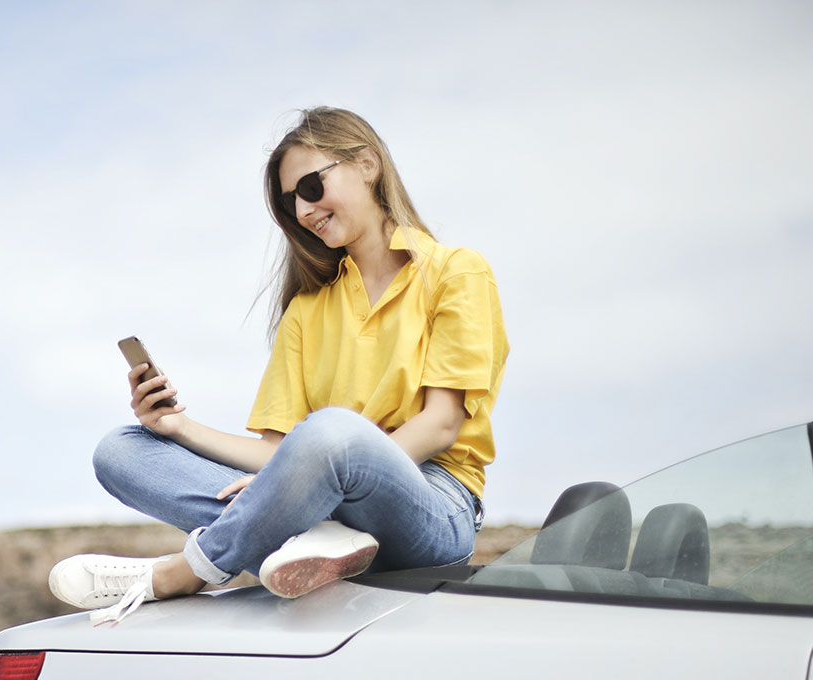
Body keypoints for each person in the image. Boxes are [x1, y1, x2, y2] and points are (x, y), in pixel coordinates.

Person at [49, 107, 509, 623]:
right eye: (291, 202)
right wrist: (178, 427)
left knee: (334, 432)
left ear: (367, 165)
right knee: (120, 451)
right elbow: (277, 452)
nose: (304, 209)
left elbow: (442, 423)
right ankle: (309, 536)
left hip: (431, 503)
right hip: (319, 499)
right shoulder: (307, 311)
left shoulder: (456, 272)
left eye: (311, 187)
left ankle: (185, 571)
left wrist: (308, 478)